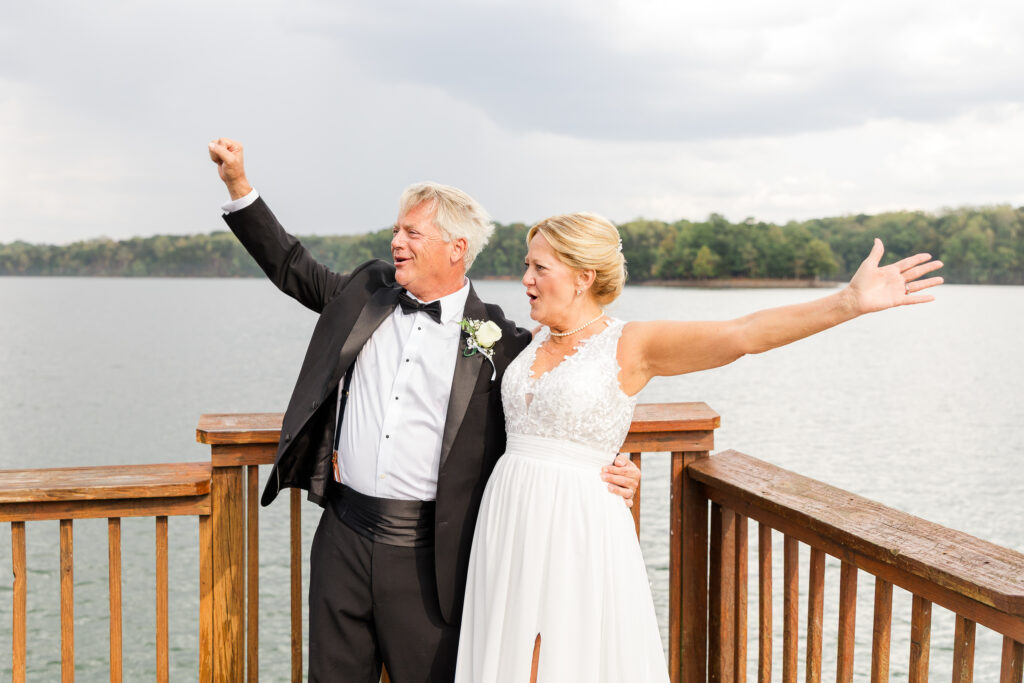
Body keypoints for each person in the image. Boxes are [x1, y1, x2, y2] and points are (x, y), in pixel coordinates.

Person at [206, 139, 641, 683]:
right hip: (343, 534)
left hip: (431, 559)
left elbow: (560, 397)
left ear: (457, 247)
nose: (396, 242)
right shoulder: (365, 294)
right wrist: (238, 187)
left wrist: (611, 464)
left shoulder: (503, 342)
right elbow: (290, 265)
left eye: (412, 232)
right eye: (396, 230)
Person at [454, 212, 943, 682]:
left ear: (583, 276)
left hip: (577, 524)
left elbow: (742, 335)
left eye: (540, 268)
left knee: (562, 654)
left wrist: (847, 303)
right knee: (510, 653)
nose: (526, 279)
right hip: (510, 516)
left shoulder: (631, 344)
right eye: (526, 266)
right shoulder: (530, 340)